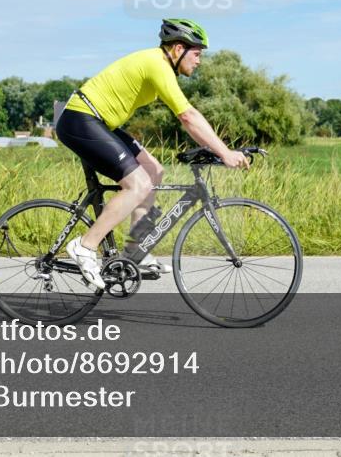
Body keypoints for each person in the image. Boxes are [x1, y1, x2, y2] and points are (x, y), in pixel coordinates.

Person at [55, 18, 249, 290]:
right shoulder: (158, 64)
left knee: (154, 170)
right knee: (138, 184)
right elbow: (187, 116)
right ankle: (85, 246)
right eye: (197, 53)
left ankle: (136, 250)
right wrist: (225, 152)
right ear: (178, 48)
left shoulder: (161, 65)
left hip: (99, 122)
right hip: (81, 119)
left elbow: (187, 117)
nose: (200, 60)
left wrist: (214, 148)